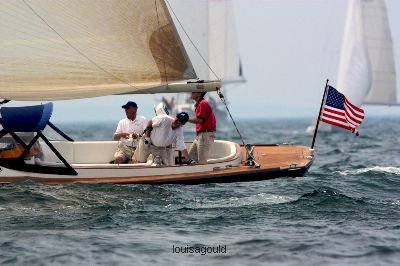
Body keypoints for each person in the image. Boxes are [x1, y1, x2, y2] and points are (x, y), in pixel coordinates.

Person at [188, 91, 216, 164]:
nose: (191, 93)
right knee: (191, 157)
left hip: (204, 135)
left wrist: (186, 119)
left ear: (199, 94)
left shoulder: (202, 104)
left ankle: (204, 175)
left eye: (193, 92)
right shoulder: (200, 103)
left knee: (202, 162)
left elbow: (200, 120)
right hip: (201, 135)